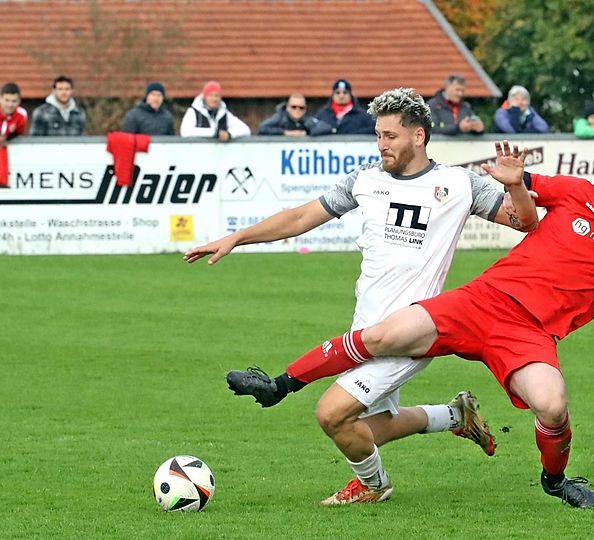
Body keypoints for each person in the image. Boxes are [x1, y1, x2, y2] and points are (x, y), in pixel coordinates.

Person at [226, 157, 594, 509]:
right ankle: (279, 384)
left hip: (528, 334)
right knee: (382, 334)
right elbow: (525, 191)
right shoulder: (577, 193)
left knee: (552, 405)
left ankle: (555, 483)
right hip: (482, 301)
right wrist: (515, 180)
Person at [185, 88, 539, 505]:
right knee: (372, 427)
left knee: (332, 413)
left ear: (419, 136)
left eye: (390, 136)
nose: (381, 144)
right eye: (378, 135)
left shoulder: (458, 183)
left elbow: (523, 221)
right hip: (364, 327)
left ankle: (374, 485)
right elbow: (301, 217)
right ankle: (454, 415)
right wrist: (237, 238)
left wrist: (515, 186)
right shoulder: (366, 181)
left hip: (412, 331)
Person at [180, 81, 251, 141]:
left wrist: (229, 134)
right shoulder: (193, 112)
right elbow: (185, 132)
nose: (214, 99)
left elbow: (246, 130)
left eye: (217, 96)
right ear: (204, 97)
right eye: (210, 95)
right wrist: (214, 133)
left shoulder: (224, 114)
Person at [257, 93, 330, 137]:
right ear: (287, 108)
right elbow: (262, 128)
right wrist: (286, 133)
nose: (297, 110)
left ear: (305, 110)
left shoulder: (307, 121)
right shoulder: (280, 118)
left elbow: (326, 128)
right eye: (294, 107)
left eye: (301, 108)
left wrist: (307, 133)